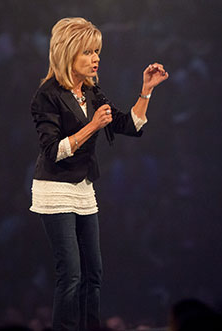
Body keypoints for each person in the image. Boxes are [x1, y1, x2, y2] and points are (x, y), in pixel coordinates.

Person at [29, 17, 168, 331]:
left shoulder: (92, 91)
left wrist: (145, 91)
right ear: (68, 54)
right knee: (71, 273)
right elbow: (53, 149)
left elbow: (129, 126)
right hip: (55, 189)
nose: (96, 58)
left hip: (82, 188)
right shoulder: (47, 96)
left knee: (94, 273)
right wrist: (91, 126)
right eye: (88, 52)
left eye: (97, 52)